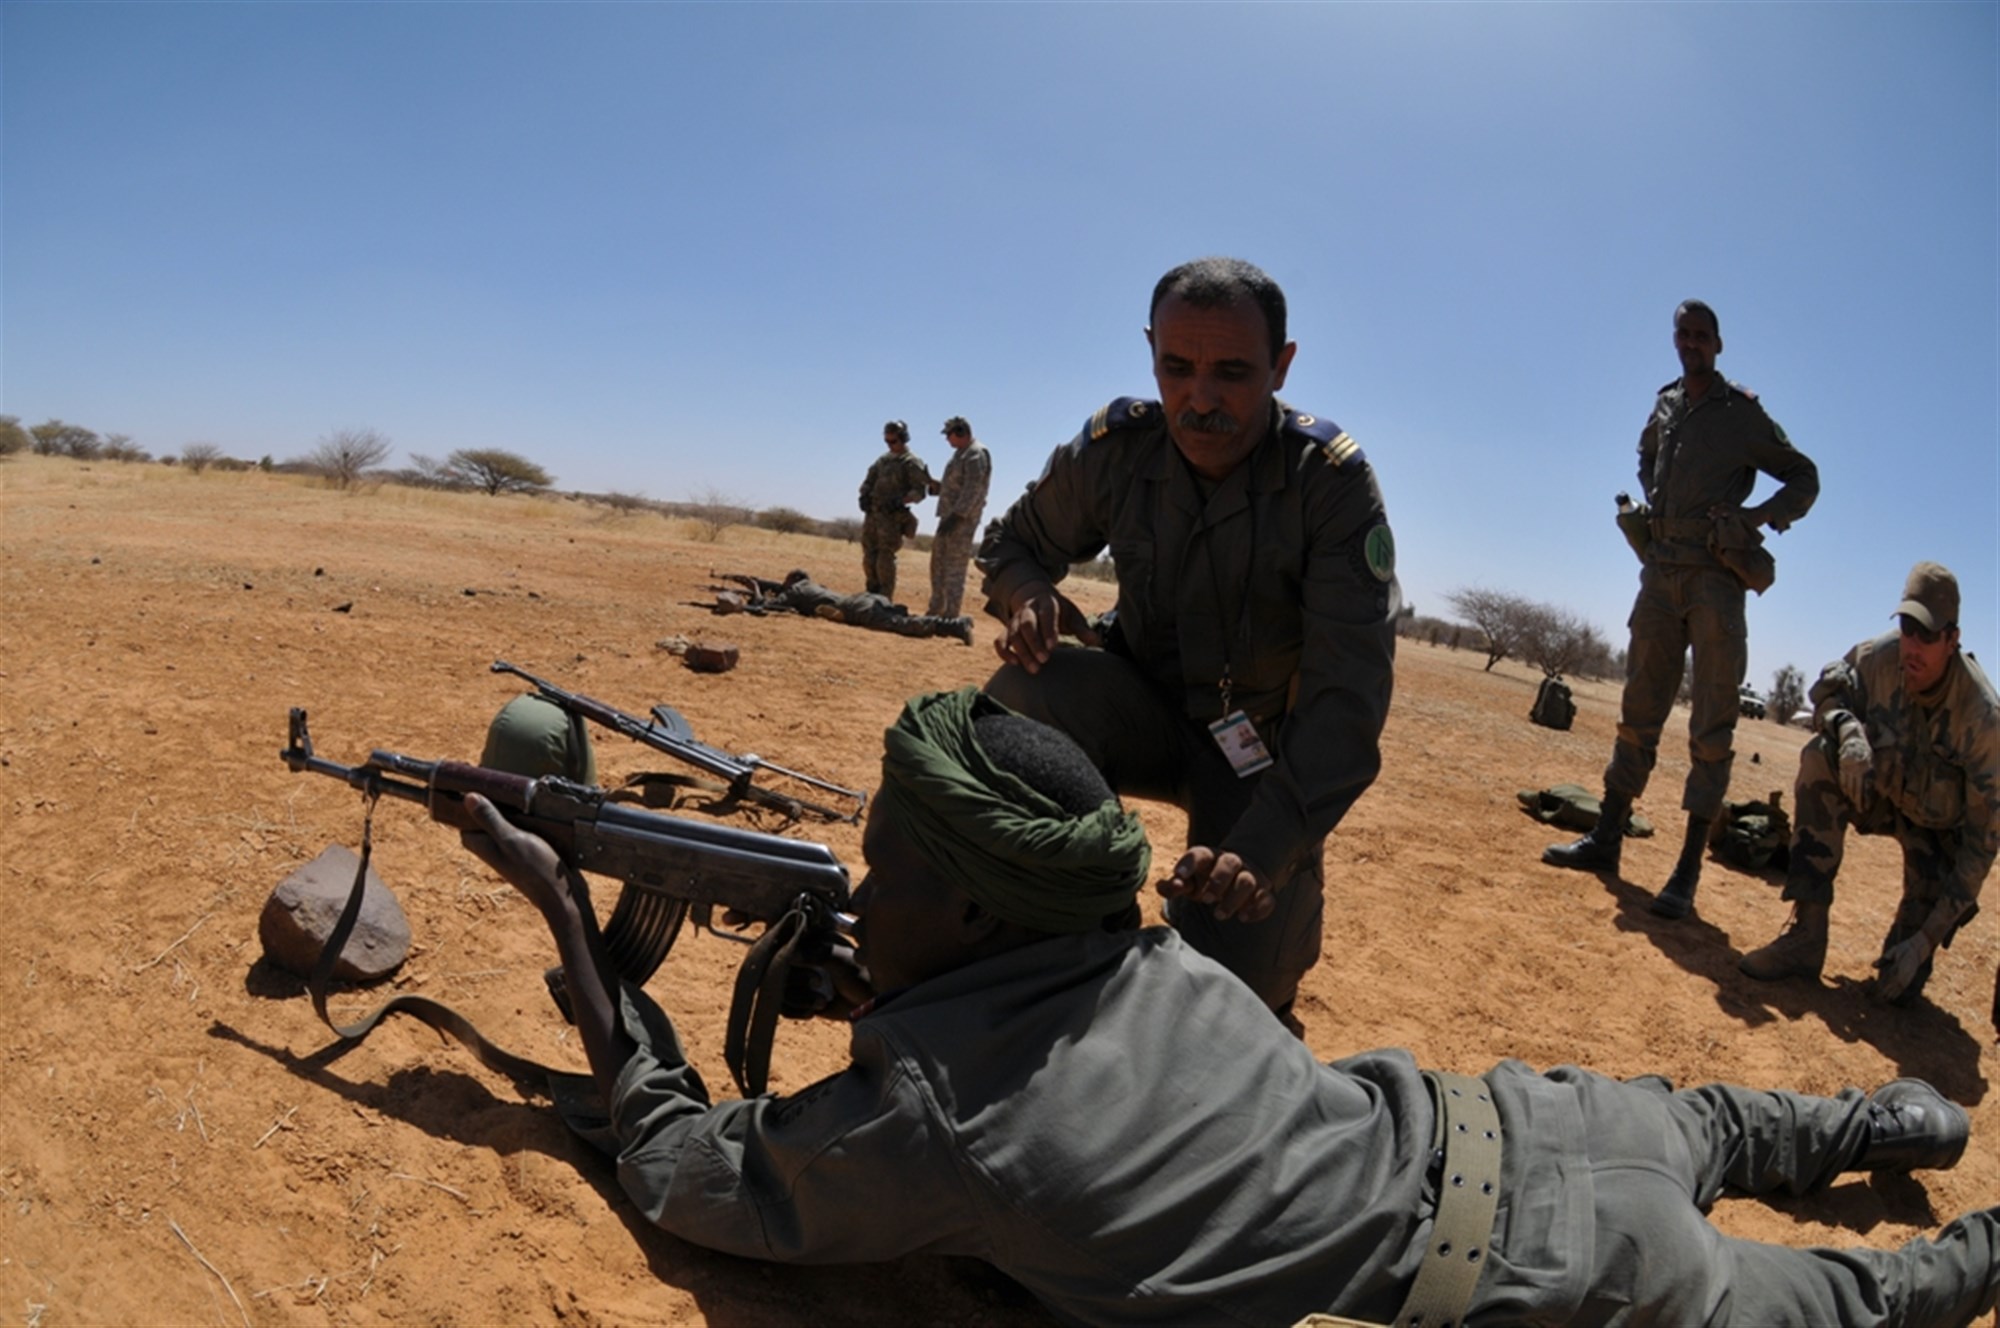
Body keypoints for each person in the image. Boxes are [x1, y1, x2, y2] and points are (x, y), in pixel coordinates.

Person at [458, 688, 1996, 1328]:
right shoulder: (1149, 949)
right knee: (1733, 1122)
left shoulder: (937, 1118)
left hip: (1561, 1276)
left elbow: (682, 1169)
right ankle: (1890, 1119)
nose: (865, 885)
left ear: (990, 907)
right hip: (1534, 1119)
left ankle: (1976, 1251)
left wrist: (566, 920)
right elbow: (1040, 1046)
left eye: (887, 862)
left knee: (1868, 1306)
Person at [974, 256, 1397, 1019]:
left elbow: (1346, 707)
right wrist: (1026, 591)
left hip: (1256, 759)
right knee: (1029, 691)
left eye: (1233, 372)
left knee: (1238, 1000)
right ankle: (1047, 918)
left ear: (1282, 366)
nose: (1200, 399)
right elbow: (1012, 543)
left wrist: (1263, 851)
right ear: (1151, 354)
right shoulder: (1116, 449)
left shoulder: (1327, 484)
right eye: (1177, 367)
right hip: (1140, 707)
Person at [1545, 299, 1820, 921]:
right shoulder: (1667, 402)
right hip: (1660, 572)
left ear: (1718, 345)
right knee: (1638, 707)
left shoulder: (1742, 415)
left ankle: (1687, 871)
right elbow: (1647, 454)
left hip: (1716, 581)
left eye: (1702, 336)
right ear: (1676, 341)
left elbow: (1804, 476)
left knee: (1712, 727)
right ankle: (1606, 839)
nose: (1691, 343)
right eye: (1683, 334)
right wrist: (1653, 497)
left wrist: (1753, 518)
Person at [1739, 562, 1998, 1017]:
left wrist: (1923, 942)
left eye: (1927, 634)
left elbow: (1980, 848)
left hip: (1937, 835)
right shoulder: (1879, 657)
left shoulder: (1982, 720)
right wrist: (1846, 727)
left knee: (1897, 990)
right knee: (1822, 755)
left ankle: (1910, 949)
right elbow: (1827, 695)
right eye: (1907, 627)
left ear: (1952, 640)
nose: (1912, 646)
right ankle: (1806, 937)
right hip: (1878, 796)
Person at [704, 569, 973, 645]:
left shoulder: (797, 591)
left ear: (791, 582)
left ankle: (955, 626)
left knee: (905, 627)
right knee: (904, 618)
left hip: (858, 609)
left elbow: (766, 607)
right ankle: (952, 625)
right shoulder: (811, 586)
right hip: (866, 599)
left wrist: (755, 588)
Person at [857, 420, 934, 600]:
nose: (890, 445)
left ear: (903, 439)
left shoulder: (911, 462)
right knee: (869, 556)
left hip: (891, 518)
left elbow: (920, 491)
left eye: (894, 441)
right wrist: (864, 496)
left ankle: (884, 599)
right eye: (887, 441)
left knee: (884, 558)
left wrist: (901, 501)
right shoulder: (882, 461)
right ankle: (870, 595)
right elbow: (868, 480)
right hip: (873, 515)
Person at [925, 415, 992, 619]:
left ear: (961, 433)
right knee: (938, 565)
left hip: (961, 522)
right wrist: (936, 488)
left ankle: (950, 616)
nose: (947, 440)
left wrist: (957, 515)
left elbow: (974, 489)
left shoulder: (976, 454)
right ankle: (936, 609)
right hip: (948, 518)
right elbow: (957, 486)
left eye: (949, 435)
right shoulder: (960, 455)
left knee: (954, 569)